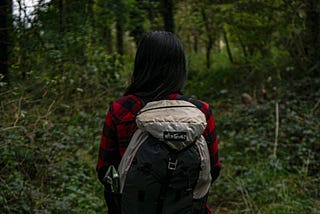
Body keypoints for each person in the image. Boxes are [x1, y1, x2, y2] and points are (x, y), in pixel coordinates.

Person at [97, 31, 220, 214]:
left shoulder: (121, 109)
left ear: (141, 65)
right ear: (180, 67)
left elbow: (105, 171)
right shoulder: (200, 112)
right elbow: (213, 170)